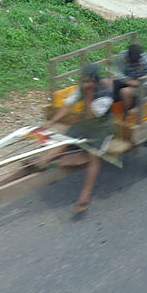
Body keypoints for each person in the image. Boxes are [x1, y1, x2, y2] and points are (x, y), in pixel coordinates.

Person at [41, 63, 114, 214]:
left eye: (88, 81)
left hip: (102, 127)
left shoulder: (105, 95)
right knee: (64, 140)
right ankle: (42, 161)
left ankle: (85, 196)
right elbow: (67, 106)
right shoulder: (81, 88)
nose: (84, 84)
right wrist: (51, 121)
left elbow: (91, 115)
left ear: (95, 81)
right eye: (83, 81)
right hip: (85, 123)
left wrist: (88, 97)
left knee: (93, 156)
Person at [113, 43, 147, 115]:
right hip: (126, 81)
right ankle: (111, 110)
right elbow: (117, 72)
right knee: (108, 83)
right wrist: (126, 80)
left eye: (135, 63)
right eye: (130, 62)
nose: (132, 65)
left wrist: (139, 83)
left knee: (125, 92)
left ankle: (127, 114)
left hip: (142, 86)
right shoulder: (122, 56)